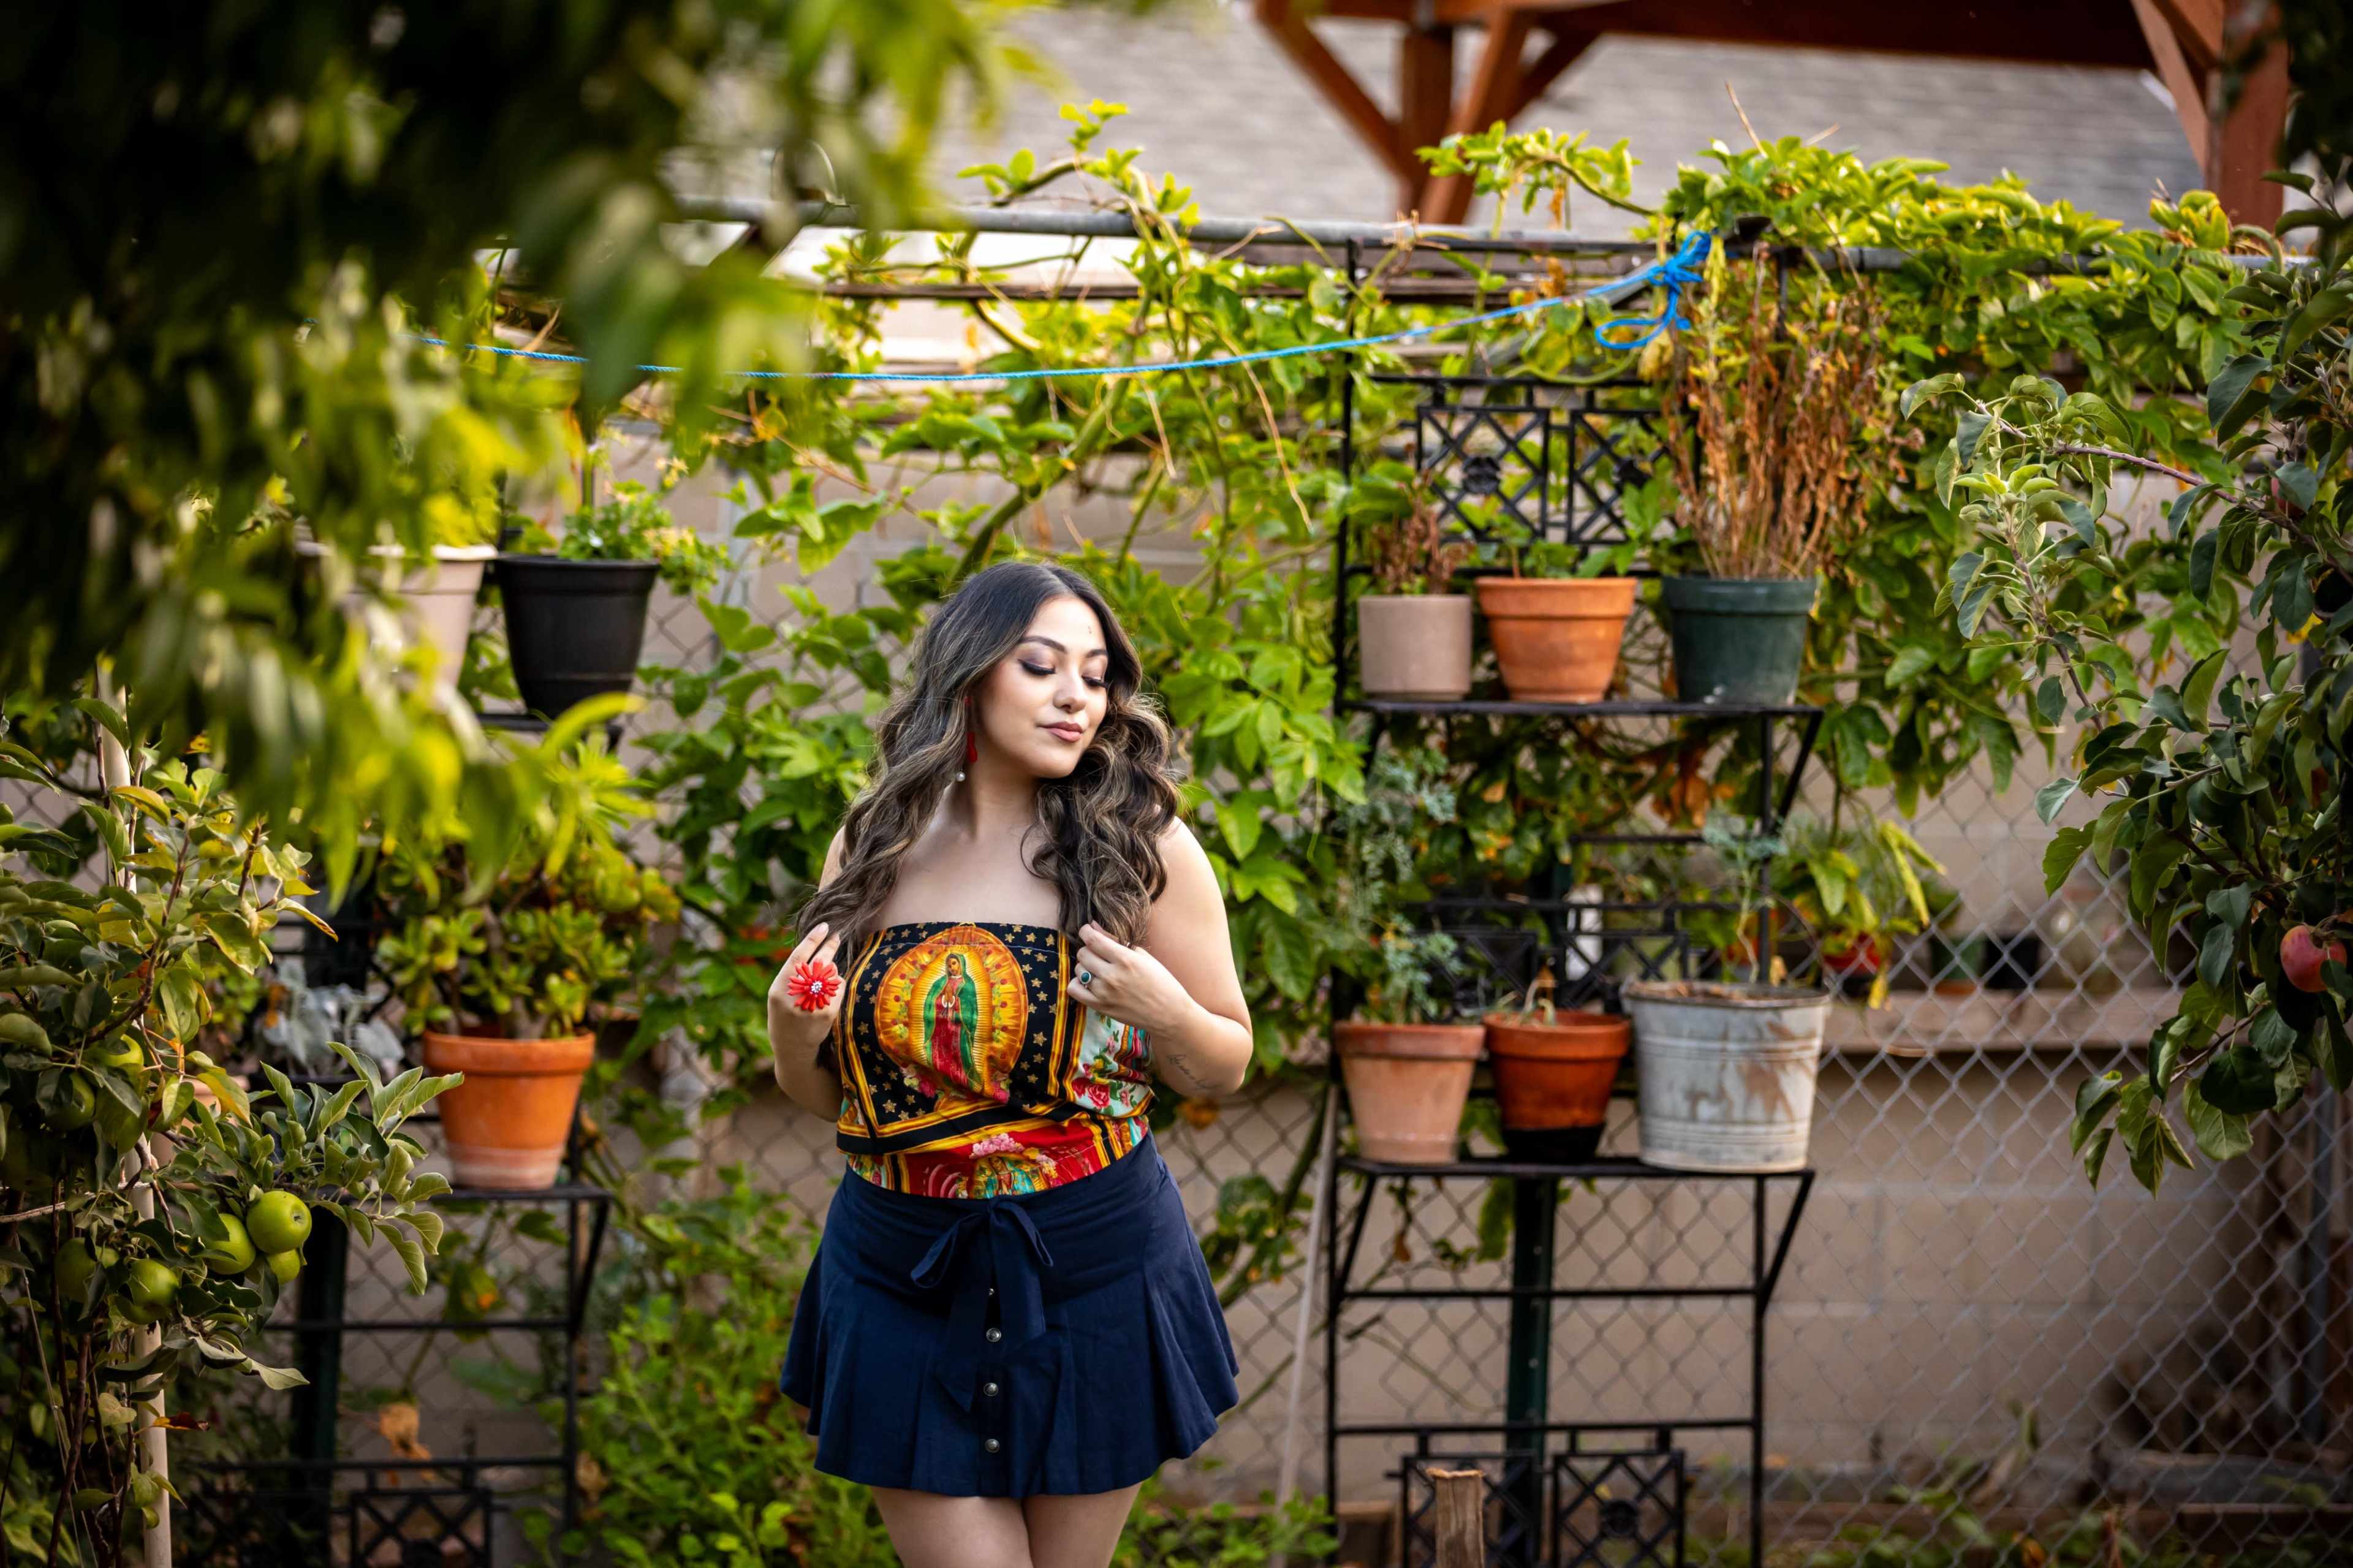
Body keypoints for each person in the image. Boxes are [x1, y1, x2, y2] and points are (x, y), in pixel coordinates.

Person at [766, 560, 1252, 1568]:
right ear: (972, 677)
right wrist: (789, 1032)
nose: (1078, 695)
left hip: (1096, 1266)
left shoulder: (1143, 848)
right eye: (1042, 666)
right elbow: (830, 1103)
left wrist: (1163, 1010)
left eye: (1095, 672)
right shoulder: (874, 844)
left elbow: (1224, 1066)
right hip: (901, 1268)